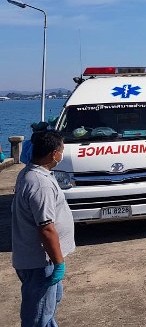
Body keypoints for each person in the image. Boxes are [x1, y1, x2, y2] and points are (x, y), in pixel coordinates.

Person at [12, 130, 75, 327]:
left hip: (39, 261)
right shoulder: (41, 184)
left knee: (47, 311)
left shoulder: (30, 173)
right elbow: (46, 228)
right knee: (38, 316)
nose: (62, 153)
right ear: (53, 154)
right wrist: (59, 263)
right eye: (61, 150)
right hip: (41, 262)